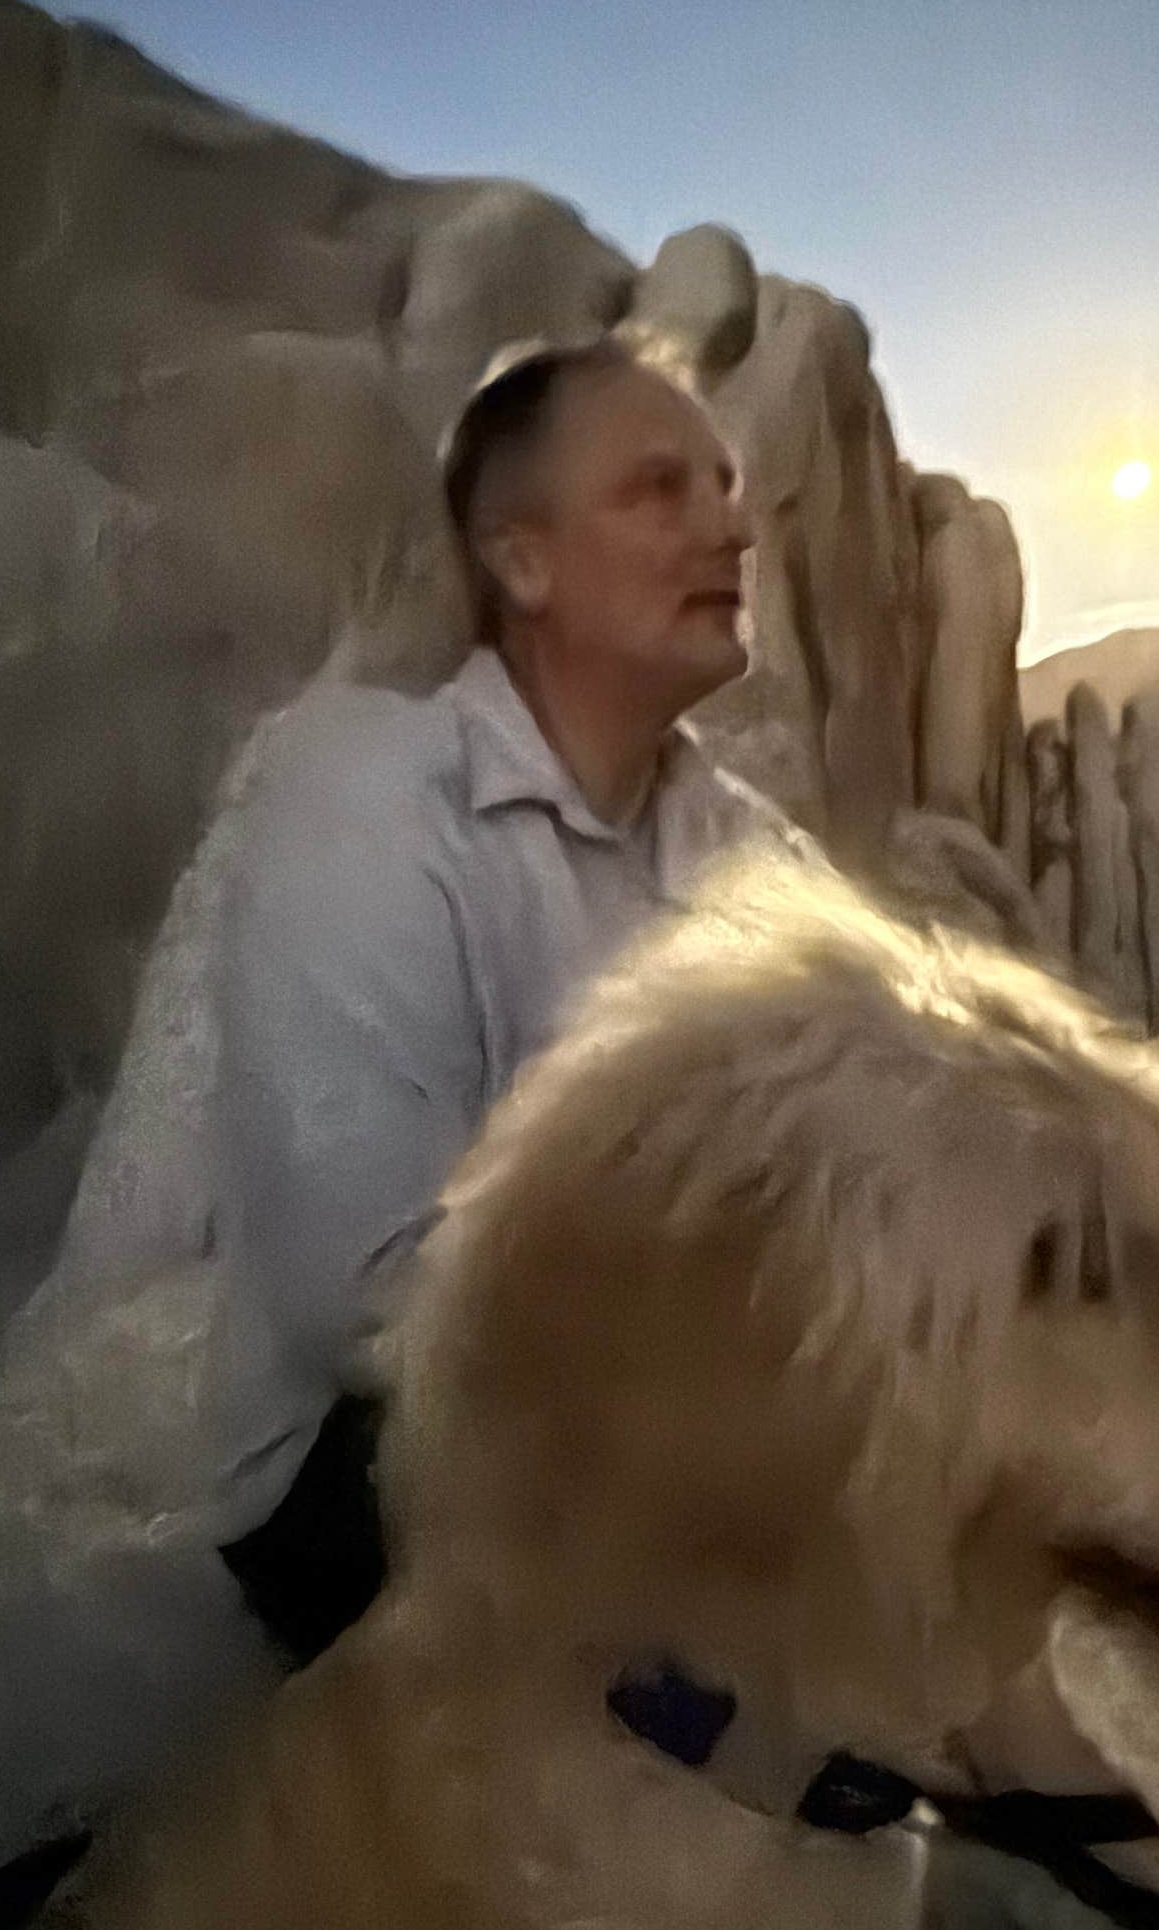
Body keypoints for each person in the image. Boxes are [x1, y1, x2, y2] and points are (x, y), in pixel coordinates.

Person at [210, 329, 794, 1658]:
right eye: (660, 490)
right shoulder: (370, 806)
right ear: (522, 563)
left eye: (725, 485)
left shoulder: (741, 846)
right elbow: (367, 1292)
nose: (733, 527)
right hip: (362, 1463)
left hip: (660, 1401)